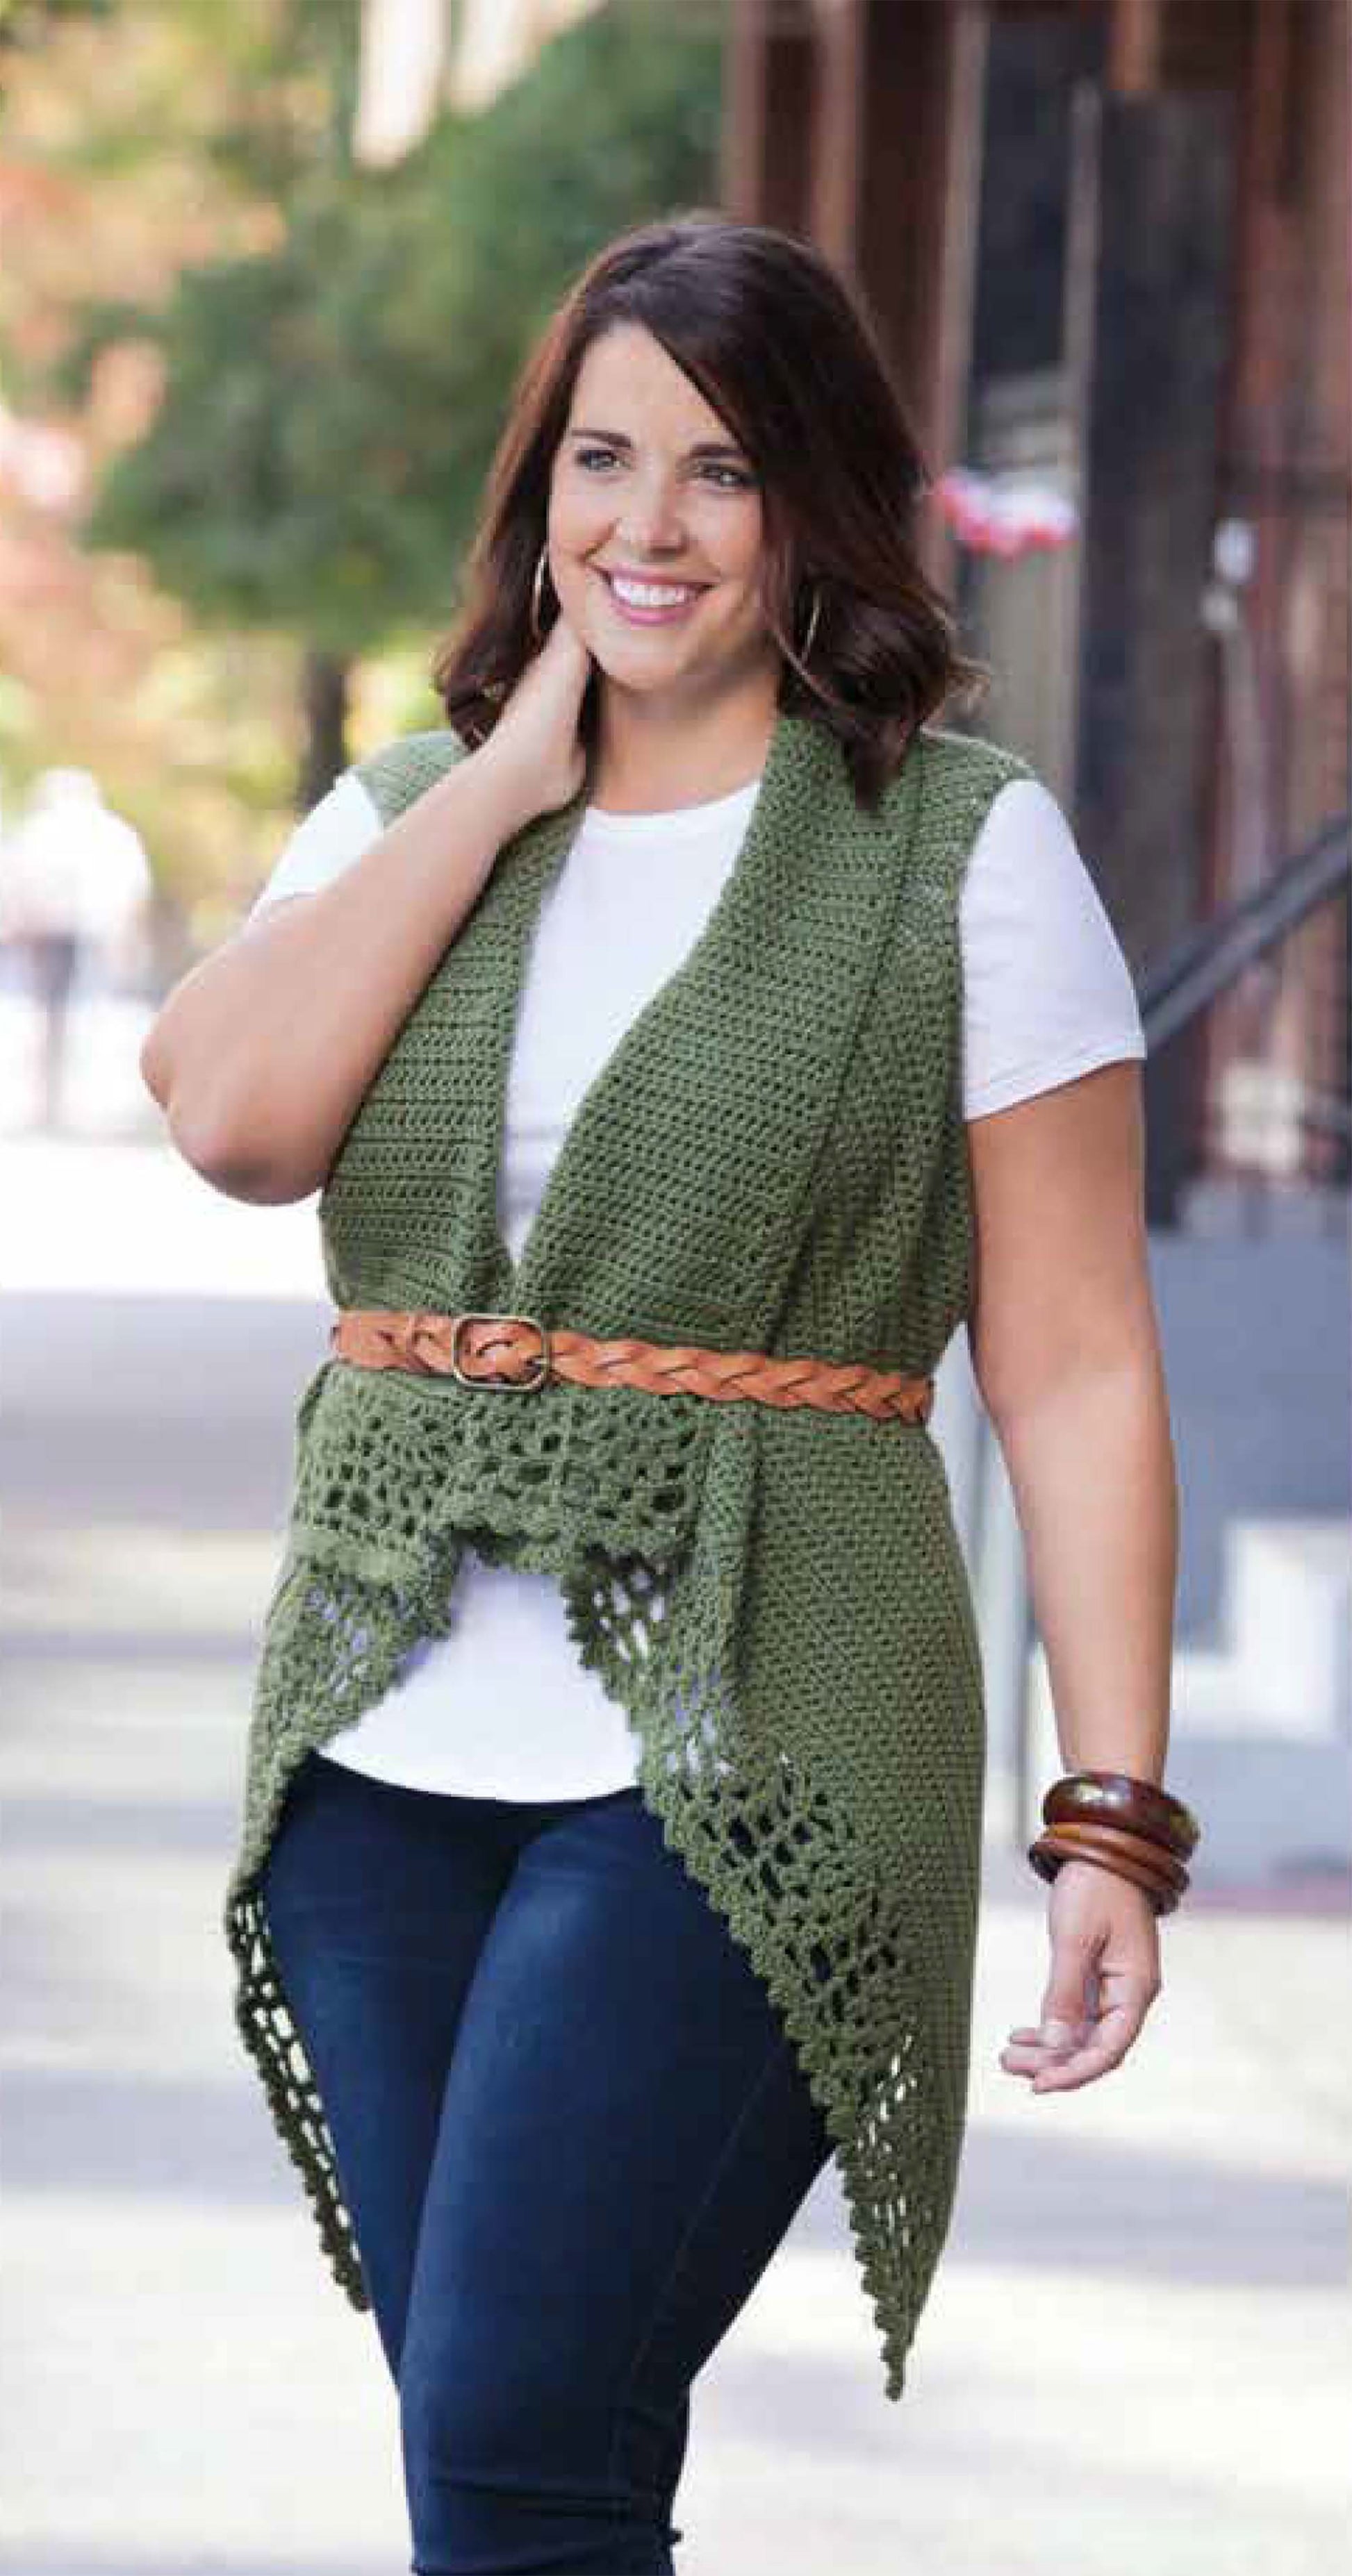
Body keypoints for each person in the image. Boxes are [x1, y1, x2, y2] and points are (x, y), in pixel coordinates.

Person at [140, 213, 1191, 2575]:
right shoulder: (418, 803)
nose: (645, 522)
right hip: (376, 1751)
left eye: (716, 470)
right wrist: (504, 784)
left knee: (516, 2437)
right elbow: (232, 1117)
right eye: (599, 459)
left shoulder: (956, 848)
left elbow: (1073, 1352)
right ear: (537, 488)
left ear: (813, 500)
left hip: (751, 1730)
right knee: (510, 2455)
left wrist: (1107, 1806)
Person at [1, 767, 151, 1131]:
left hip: (66, 933)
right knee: (77, 1012)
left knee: (62, 1015)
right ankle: (60, 1096)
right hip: (69, 933)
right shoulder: (108, 834)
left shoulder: (44, 832)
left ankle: (60, 1096)